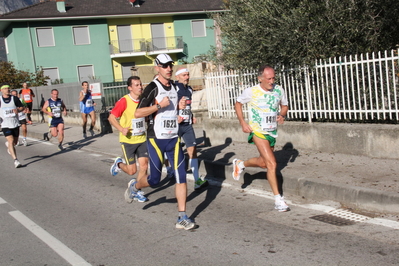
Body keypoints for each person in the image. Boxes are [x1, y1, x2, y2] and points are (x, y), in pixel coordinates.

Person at [132, 53, 196, 230]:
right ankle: (135, 186)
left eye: (170, 65)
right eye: (165, 66)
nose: (169, 68)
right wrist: (158, 106)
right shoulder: (153, 87)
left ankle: (182, 216)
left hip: (173, 138)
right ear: (157, 68)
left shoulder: (175, 87)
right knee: (154, 180)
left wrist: (179, 107)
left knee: (181, 176)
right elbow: (138, 113)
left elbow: (173, 108)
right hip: (156, 139)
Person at [233, 65, 290, 212]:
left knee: (264, 163)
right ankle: (278, 200)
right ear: (260, 79)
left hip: (271, 132)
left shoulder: (279, 90)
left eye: (273, 78)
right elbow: (238, 104)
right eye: (268, 79)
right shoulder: (252, 91)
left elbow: (285, 106)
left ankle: (241, 164)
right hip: (258, 131)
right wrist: (243, 123)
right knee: (272, 164)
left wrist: (282, 115)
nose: (272, 81)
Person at [108, 76, 149, 202]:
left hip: (141, 138)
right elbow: (111, 118)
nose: (140, 87)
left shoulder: (143, 100)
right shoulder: (124, 101)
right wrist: (121, 129)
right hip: (128, 141)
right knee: (132, 171)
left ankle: (136, 190)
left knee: (144, 166)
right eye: (136, 85)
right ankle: (119, 164)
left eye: (140, 84)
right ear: (130, 88)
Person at [175, 67, 208, 190]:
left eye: (188, 75)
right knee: (173, 150)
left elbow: (188, 105)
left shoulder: (189, 89)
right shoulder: (174, 88)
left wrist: (192, 116)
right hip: (176, 125)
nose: (187, 77)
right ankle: (170, 170)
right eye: (184, 75)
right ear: (177, 76)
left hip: (187, 125)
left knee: (192, 149)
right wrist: (175, 115)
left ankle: (196, 179)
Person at [1, 83, 25, 168]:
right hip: (5, 124)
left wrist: (18, 110)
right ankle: (16, 160)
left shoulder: (14, 98)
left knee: (14, 142)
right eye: (5, 88)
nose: (7, 90)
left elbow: (22, 107)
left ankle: (9, 146)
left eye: (8, 88)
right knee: (11, 141)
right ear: (1, 90)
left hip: (14, 123)